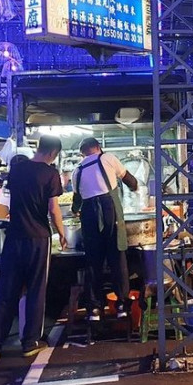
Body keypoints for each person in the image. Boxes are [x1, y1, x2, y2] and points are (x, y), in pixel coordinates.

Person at [0, 135, 66, 359]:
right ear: (52, 153)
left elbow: (6, 202)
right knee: (36, 289)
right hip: (38, 238)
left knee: (6, 290)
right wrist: (62, 233)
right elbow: (53, 209)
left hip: (14, 236)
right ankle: (30, 342)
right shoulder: (50, 173)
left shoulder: (16, 170)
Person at [71, 137, 138, 321]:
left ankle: (94, 309)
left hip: (89, 216)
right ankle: (122, 305)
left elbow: (76, 202)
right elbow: (129, 180)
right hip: (110, 212)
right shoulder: (108, 158)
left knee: (93, 261)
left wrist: (75, 211)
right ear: (98, 148)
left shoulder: (77, 171)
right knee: (117, 257)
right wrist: (136, 188)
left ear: (82, 153)